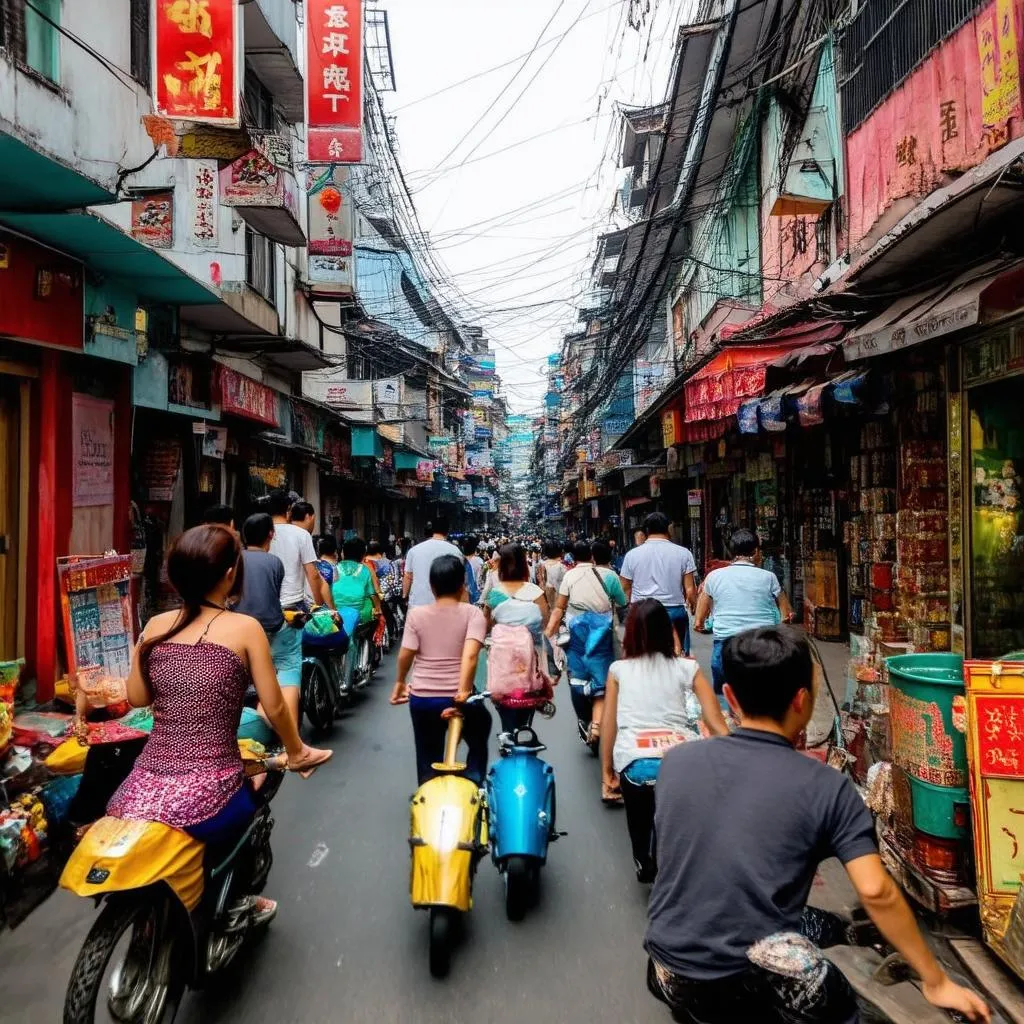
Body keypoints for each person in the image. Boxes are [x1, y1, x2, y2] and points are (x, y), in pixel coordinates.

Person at [644, 626, 990, 1024]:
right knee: (843, 1006)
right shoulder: (827, 787)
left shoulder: (677, 762)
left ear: (731, 698)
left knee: (822, 925)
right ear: (803, 701)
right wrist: (936, 981)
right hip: (747, 975)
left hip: (668, 969)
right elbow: (876, 891)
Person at [108, 525, 332, 924]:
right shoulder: (244, 628)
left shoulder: (156, 626)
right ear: (230, 574)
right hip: (212, 786)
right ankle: (236, 900)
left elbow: (138, 699)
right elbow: (276, 706)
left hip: (139, 788)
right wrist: (297, 751)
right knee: (252, 813)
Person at [601, 600, 727, 881]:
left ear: (631, 632)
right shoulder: (687, 668)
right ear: (667, 630)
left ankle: (643, 862)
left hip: (634, 763)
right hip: (683, 764)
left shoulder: (618, 670)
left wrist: (607, 769)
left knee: (639, 821)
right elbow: (716, 722)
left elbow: (609, 724)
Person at [389, 554, 492, 785]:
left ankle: (428, 796)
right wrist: (464, 692)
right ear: (462, 584)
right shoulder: (472, 614)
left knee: (427, 756)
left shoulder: (417, 615)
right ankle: (474, 783)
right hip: (459, 696)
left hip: (423, 698)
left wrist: (399, 682)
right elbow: (471, 655)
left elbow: (406, 654)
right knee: (480, 731)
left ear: (432, 586)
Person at [545, 541, 627, 786]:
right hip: (602, 634)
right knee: (602, 683)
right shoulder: (610, 576)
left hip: (577, 635)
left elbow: (559, 607)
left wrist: (549, 632)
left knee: (578, 679)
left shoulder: (569, 576)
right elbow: (622, 605)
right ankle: (598, 725)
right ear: (592, 556)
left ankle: (587, 721)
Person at [693, 528, 794, 695]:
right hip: (762, 646)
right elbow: (786, 615)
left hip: (725, 647)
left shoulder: (714, 577)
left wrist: (705, 623)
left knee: (725, 697)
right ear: (755, 552)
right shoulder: (769, 577)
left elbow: (698, 622)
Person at [233, 513, 305, 733]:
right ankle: (290, 735)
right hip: (273, 627)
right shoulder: (274, 562)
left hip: (239, 628)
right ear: (270, 535)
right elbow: (273, 596)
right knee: (289, 664)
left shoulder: (235, 560)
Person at [484, 543, 550, 733]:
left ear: (501, 566)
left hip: (502, 662)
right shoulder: (535, 593)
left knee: (501, 700)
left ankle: (507, 732)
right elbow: (544, 626)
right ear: (524, 565)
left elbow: (486, 626)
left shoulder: (495, 594)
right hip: (531, 661)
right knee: (529, 701)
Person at [619, 512, 697, 656]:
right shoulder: (684, 553)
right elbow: (690, 590)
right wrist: (693, 608)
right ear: (668, 528)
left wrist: (630, 609)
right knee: (678, 657)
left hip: (642, 611)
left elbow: (624, 587)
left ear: (646, 531)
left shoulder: (632, 555)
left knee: (641, 655)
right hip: (674, 611)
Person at [266, 490, 333, 612]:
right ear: (288, 509)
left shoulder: (262, 534)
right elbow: (312, 574)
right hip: (293, 605)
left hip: (268, 603)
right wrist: (318, 607)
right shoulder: (302, 535)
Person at [403, 516, 462, 609]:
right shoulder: (455, 551)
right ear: (448, 530)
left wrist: (404, 596)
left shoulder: (414, 550)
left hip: (418, 604)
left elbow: (408, 576)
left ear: (432, 529)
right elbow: (460, 581)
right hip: (446, 606)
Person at [331, 537, 381, 631]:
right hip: (360, 612)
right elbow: (373, 594)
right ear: (362, 555)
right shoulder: (365, 570)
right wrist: (378, 609)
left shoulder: (334, 568)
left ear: (343, 553)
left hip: (336, 611)